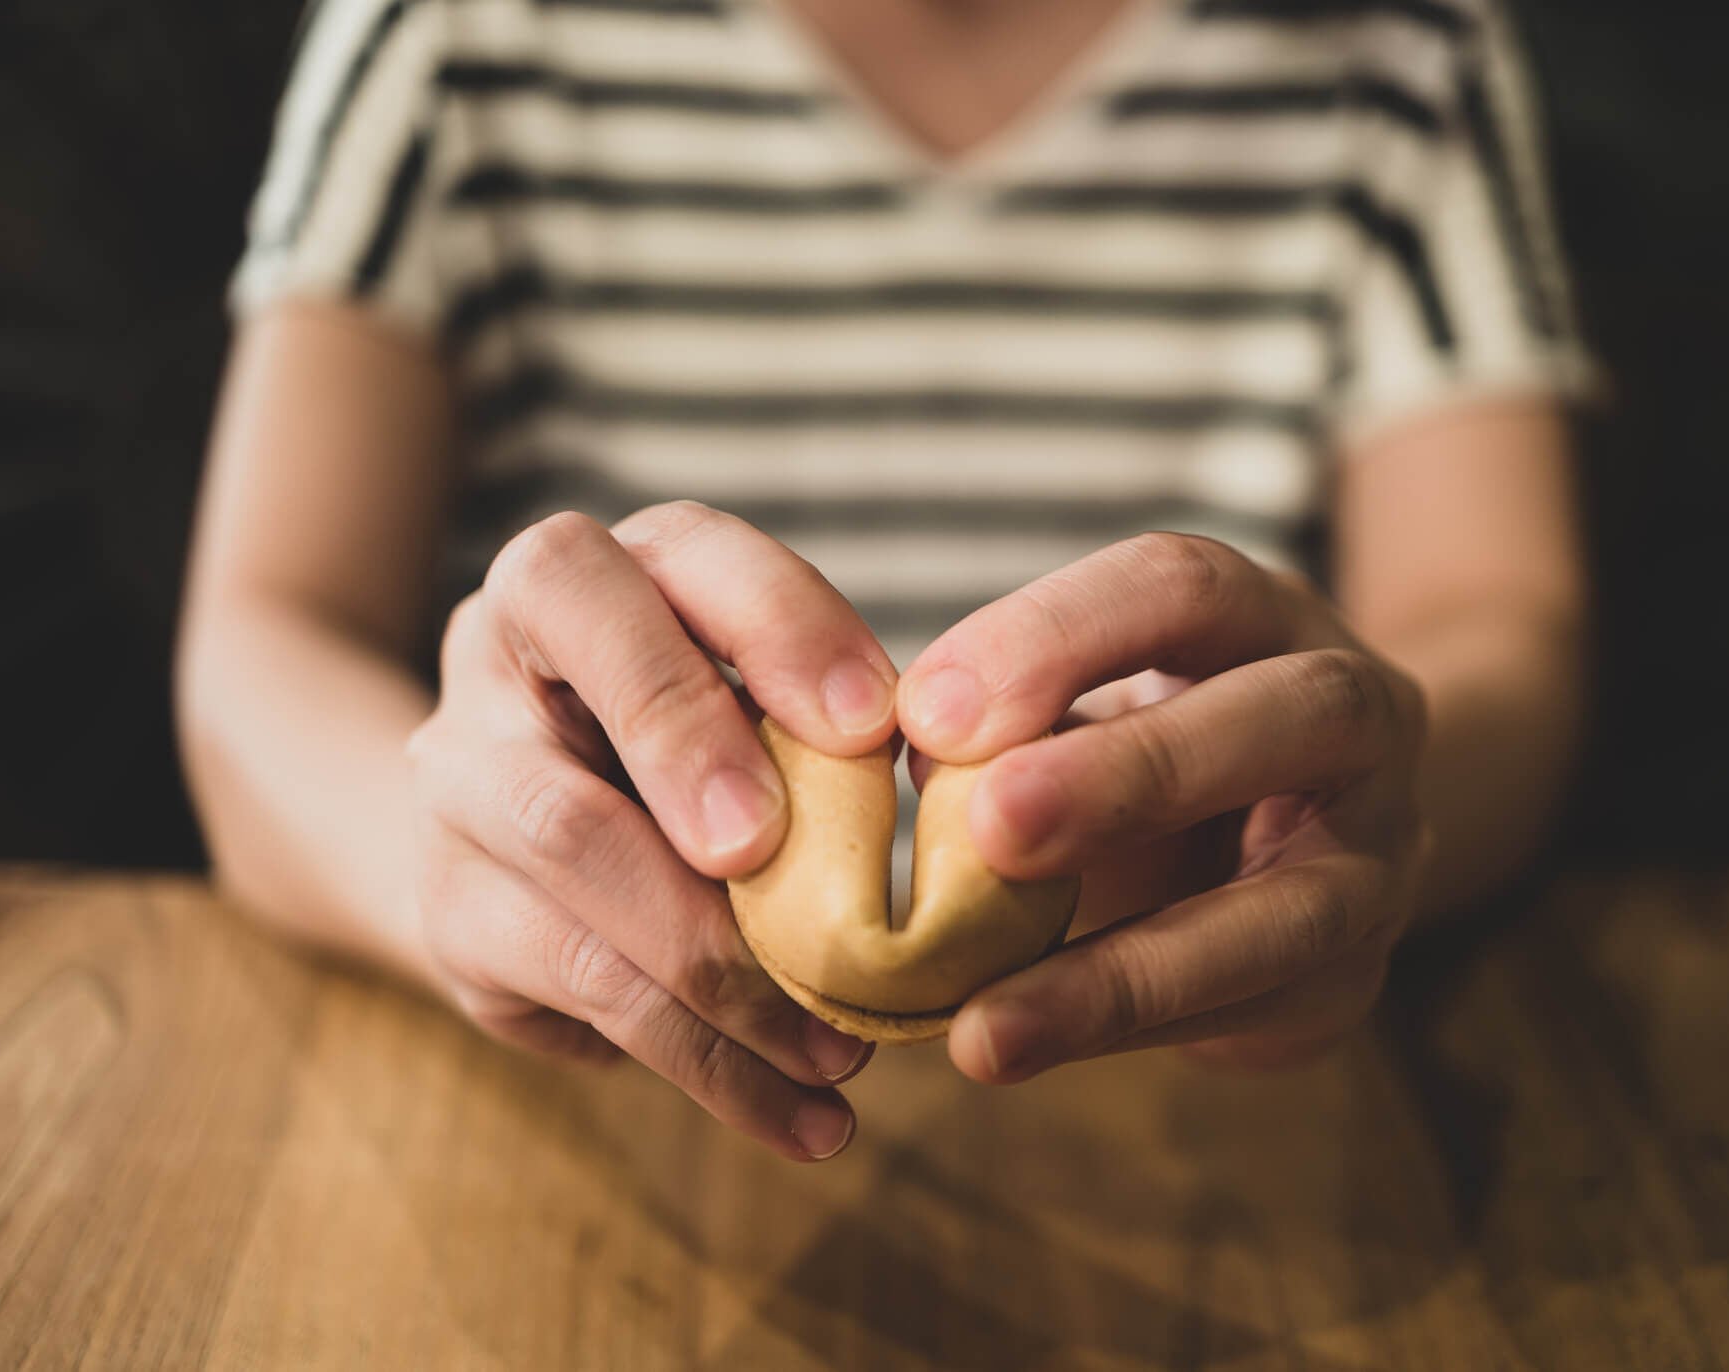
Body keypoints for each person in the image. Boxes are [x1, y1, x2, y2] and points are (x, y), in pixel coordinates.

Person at [178, 0, 1593, 1163]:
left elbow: (1498, 626)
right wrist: (447, 858)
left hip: (1237, 1132)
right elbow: (258, 639)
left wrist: (1364, 803)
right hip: (575, 1130)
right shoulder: (452, 35)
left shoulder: (1398, 54)